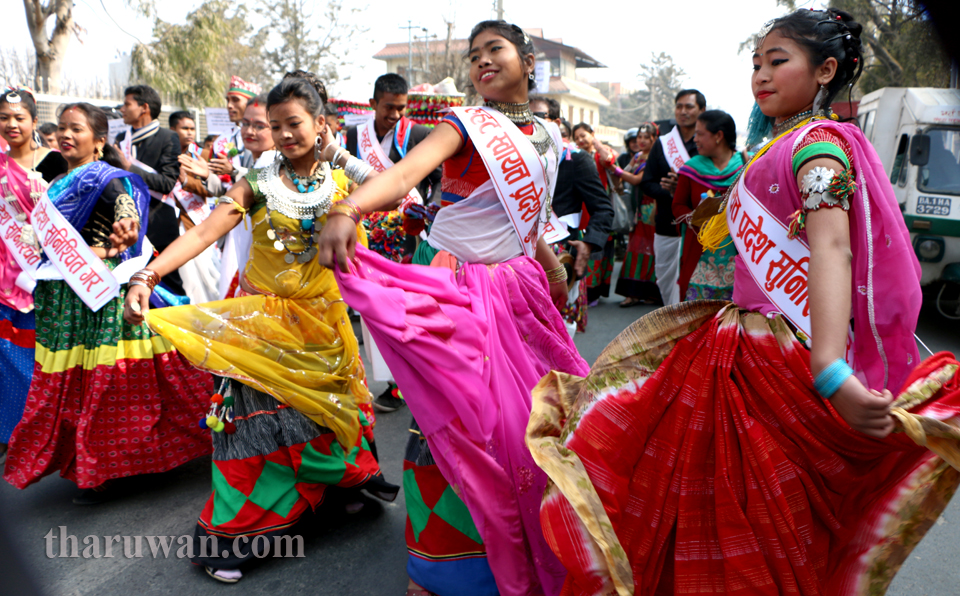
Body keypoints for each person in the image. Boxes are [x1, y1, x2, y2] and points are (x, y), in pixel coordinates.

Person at [527, 9, 960, 594]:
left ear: (826, 69)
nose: (760, 75)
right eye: (756, 63)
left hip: (777, 358)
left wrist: (830, 367)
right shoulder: (779, 144)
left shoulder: (820, 150)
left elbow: (832, 248)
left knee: (756, 521)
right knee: (709, 505)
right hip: (733, 349)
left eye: (777, 61)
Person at [316, 20, 590, 596]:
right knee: (455, 423)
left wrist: (555, 267)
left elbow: (531, 218)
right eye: (474, 56)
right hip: (461, 288)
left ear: (528, 59)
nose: (482, 62)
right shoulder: (463, 125)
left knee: (535, 425)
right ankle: (444, 565)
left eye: (495, 50)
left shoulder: (546, 131)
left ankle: (536, 538)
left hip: (521, 292)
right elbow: (405, 175)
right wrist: (350, 208)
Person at [122, 72, 398, 584]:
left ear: (320, 123)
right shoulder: (261, 179)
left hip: (323, 328)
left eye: (294, 124)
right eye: (276, 126)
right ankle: (241, 530)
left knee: (324, 418)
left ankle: (338, 488)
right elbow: (207, 229)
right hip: (262, 324)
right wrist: (149, 272)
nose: (284, 134)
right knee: (250, 428)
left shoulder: (348, 181)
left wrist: (338, 157)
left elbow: (401, 196)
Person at [3, 102, 212, 504]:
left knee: (112, 383)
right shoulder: (58, 179)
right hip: (64, 299)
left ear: (99, 139)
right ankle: (89, 460)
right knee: (72, 384)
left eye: (76, 129)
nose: (65, 135)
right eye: (61, 128)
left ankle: (109, 466)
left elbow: (125, 208)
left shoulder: (107, 178)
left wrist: (127, 226)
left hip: (100, 293)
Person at [344, 72, 442, 413]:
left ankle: (408, 380)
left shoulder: (418, 134)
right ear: (373, 104)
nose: (395, 115)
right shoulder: (354, 135)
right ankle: (389, 379)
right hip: (366, 232)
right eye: (388, 107)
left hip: (407, 235)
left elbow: (438, 180)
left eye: (401, 108)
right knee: (371, 307)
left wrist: (428, 209)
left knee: (404, 306)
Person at [0, 88, 68, 464]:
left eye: (19, 117)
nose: (11, 124)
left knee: (45, 356)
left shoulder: (54, 161)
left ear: (31, 120)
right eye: (4, 118)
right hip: (5, 273)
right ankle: (13, 433)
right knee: (7, 354)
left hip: (48, 271)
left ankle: (49, 434)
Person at [530, 95, 613, 332]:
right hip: (520, 256)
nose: (528, 123)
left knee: (559, 329)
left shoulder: (575, 159)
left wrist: (589, 244)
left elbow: (603, 208)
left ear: (555, 122)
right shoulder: (512, 158)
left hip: (561, 255)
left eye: (537, 117)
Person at [115, 84, 186, 295]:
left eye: (127, 104)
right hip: (129, 221)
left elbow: (166, 183)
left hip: (159, 221)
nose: (122, 109)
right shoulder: (121, 139)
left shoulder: (168, 138)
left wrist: (129, 168)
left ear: (144, 107)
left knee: (169, 281)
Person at [641, 89, 705, 305]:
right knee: (666, 283)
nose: (683, 111)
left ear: (701, 110)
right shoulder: (663, 143)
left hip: (698, 228)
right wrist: (671, 192)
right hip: (667, 225)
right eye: (679, 106)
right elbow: (647, 183)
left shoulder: (707, 143)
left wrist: (684, 189)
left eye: (689, 106)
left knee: (695, 287)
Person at [672, 110, 744, 301]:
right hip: (700, 253)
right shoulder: (691, 169)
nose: (695, 139)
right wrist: (696, 218)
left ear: (719, 136)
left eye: (700, 134)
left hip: (737, 255)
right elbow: (678, 206)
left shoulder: (747, 166)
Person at [613, 122, 662, 306]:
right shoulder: (638, 156)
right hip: (638, 207)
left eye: (645, 137)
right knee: (636, 246)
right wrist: (618, 174)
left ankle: (649, 292)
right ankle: (634, 292)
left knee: (648, 248)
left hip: (651, 208)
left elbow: (634, 179)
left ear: (654, 139)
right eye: (639, 137)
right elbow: (625, 173)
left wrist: (613, 169)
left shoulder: (654, 158)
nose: (641, 141)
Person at [572, 122, 619, 305]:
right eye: (577, 138)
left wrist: (598, 144)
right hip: (583, 208)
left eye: (584, 135)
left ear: (592, 134)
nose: (580, 140)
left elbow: (609, 160)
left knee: (601, 249)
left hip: (600, 207)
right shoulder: (575, 156)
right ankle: (586, 291)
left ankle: (595, 291)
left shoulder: (600, 154)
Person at [205, 76, 262, 186]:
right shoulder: (222, 140)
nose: (229, 106)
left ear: (252, 103)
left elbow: (265, 178)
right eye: (228, 101)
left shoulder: (266, 136)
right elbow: (220, 189)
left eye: (235, 100)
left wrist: (233, 170)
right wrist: (206, 176)